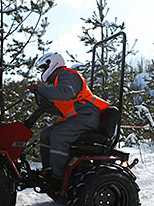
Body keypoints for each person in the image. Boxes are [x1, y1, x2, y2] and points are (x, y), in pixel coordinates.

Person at [29, 52, 109, 193]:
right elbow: (64, 105)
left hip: (86, 116)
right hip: (77, 118)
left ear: (52, 63)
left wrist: (41, 89)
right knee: (46, 133)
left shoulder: (67, 74)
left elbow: (67, 92)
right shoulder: (57, 81)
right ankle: (48, 171)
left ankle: (57, 178)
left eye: (43, 68)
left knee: (59, 135)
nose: (43, 72)